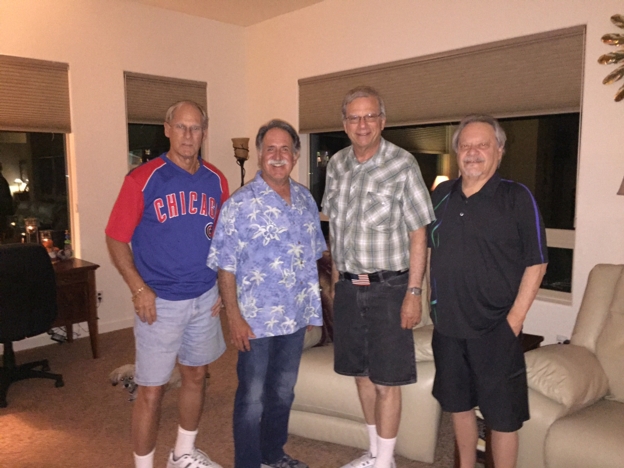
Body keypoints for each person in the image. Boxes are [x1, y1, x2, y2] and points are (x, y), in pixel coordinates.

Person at [105, 100, 229, 468]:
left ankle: (183, 454)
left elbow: (224, 239)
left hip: (205, 297)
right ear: (167, 129)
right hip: (159, 303)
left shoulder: (216, 180)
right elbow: (116, 237)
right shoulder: (142, 179)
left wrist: (223, 287)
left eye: (196, 128)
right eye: (181, 127)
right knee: (151, 390)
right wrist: (138, 288)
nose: (189, 135)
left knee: (196, 375)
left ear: (204, 132)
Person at [322, 86, 435, 468]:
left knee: (387, 381)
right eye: (354, 117)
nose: (362, 124)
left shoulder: (402, 164)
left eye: (370, 116)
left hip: (390, 288)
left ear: (382, 121)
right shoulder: (337, 165)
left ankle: (385, 462)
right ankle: (374, 454)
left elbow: (419, 233)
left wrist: (414, 292)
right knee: (361, 376)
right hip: (349, 286)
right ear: (344, 124)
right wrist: (336, 283)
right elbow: (336, 229)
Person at [427, 114, 548, 468]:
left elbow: (537, 262)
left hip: (496, 328)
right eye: (465, 145)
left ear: (500, 150)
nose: (473, 152)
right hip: (448, 328)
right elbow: (427, 247)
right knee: (459, 406)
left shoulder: (516, 197)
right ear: (457, 152)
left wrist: (514, 322)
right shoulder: (441, 195)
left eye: (482, 145)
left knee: (503, 418)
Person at [208, 119, 326, 468]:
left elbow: (310, 259)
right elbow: (225, 266)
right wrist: (234, 317)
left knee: (283, 392)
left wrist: (310, 310)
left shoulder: (305, 200)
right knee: (252, 397)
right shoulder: (239, 205)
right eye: (270, 149)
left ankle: (273, 455)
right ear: (259, 154)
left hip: (294, 319)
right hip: (255, 322)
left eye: (285, 149)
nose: (278, 155)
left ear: (296, 156)